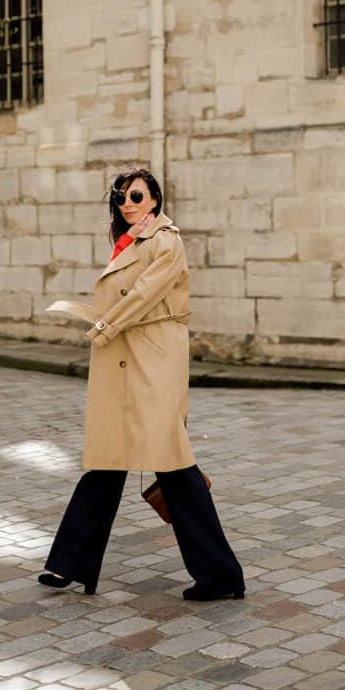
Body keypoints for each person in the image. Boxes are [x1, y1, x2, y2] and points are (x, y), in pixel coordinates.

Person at [38, 168, 245, 601]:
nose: (127, 204)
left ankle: (221, 575)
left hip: (153, 362)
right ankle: (68, 565)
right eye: (120, 199)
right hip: (126, 361)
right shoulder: (131, 241)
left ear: (155, 198)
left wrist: (102, 327)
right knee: (107, 464)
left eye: (135, 195)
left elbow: (145, 295)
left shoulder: (167, 242)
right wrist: (104, 324)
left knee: (174, 467)